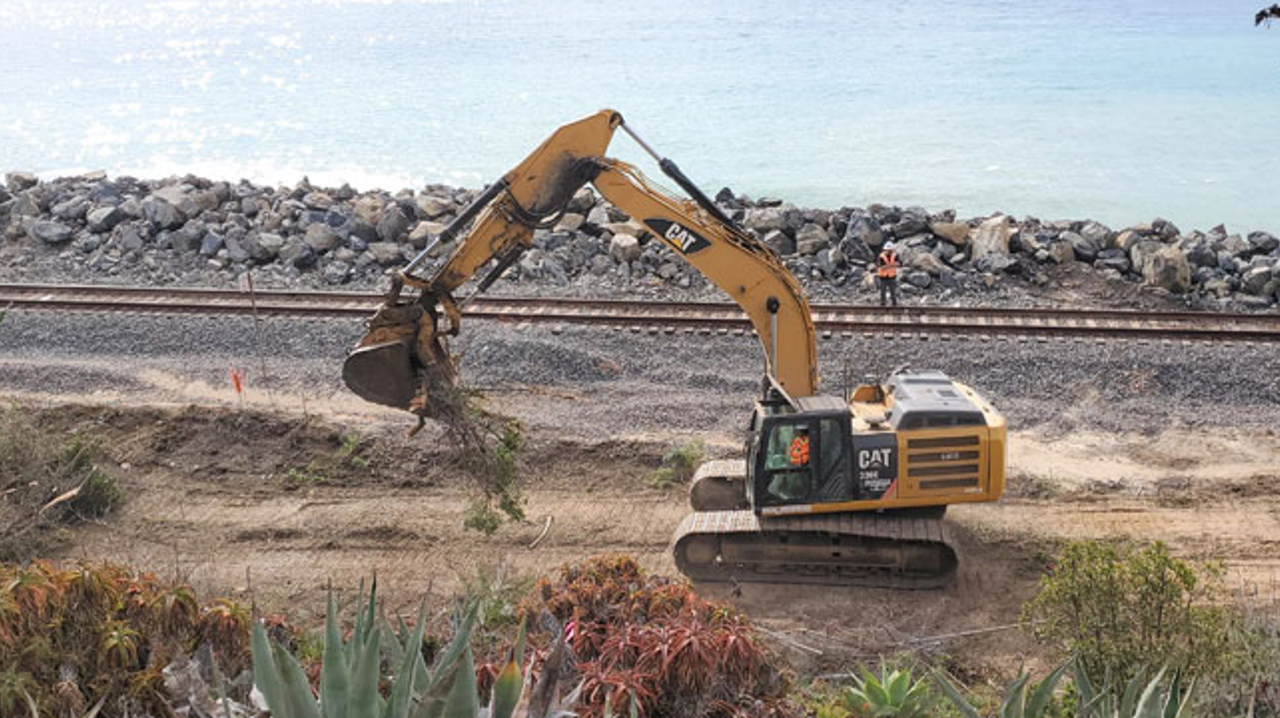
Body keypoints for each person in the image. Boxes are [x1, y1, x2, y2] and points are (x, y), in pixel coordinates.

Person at [876, 241, 900, 307]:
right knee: (882, 292)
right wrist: (891, 265)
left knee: (893, 291)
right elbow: (881, 266)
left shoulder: (895, 255)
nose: (889, 252)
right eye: (888, 250)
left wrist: (889, 265)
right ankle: (882, 304)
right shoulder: (881, 256)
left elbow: (898, 264)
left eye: (890, 250)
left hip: (892, 276)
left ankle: (894, 304)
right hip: (883, 277)